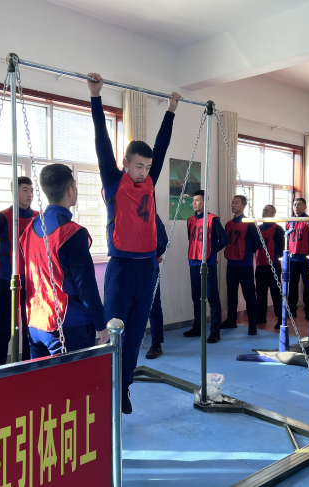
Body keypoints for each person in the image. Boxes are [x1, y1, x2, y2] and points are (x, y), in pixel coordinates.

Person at [88, 72, 181, 414]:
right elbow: (101, 141)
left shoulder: (150, 182)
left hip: (147, 270)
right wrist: (96, 98)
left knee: (136, 337)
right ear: (126, 163)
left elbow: (162, 145)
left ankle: (124, 387)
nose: (143, 172)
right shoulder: (114, 181)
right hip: (121, 269)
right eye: (139, 166)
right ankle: (105, 386)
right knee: (114, 334)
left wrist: (171, 111)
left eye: (147, 167)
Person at [20, 164, 109, 358]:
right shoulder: (72, 233)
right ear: (69, 190)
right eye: (75, 187)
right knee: (73, 377)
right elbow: (85, 286)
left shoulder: (30, 228)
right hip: (68, 325)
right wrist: (101, 325)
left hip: (36, 322)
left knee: (42, 377)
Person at [0, 176, 37, 367]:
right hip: (8, 279)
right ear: (14, 192)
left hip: (32, 280)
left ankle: (29, 364)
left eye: (31, 190)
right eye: (25, 190)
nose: (30, 194)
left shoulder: (38, 217)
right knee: (4, 325)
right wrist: (2, 257)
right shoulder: (3, 216)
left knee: (31, 325)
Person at [183, 190, 229, 342]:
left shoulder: (212, 219)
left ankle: (215, 331)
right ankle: (197, 328)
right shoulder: (190, 220)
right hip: (193, 262)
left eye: (197, 200)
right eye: (193, 200)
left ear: (205, 201)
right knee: (196, 298)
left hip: (207, 263)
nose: (194, 203)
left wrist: (212, 251)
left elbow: (224, 239)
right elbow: (191, 240)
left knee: (212, 297)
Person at [220, 195, 262, 335]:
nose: (233, 205)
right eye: (232, 202)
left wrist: (247, 252)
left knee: (249, 295)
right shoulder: (229, 224)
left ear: (243, 206)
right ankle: (231, 320)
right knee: (231, 294)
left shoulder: (249, 223)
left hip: (244, 264)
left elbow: (257, 242)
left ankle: (252, 325)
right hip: (231, 263)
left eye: (236, 203)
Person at [255, 205, 285, 329]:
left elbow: (283, 247)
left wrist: (276, 259)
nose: (264, 212)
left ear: (273, 214)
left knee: (276, 293)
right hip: (260, 265)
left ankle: (280, 318)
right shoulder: (258, 228)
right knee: (260, 293)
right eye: (263, 210)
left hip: (273, 265)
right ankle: (261, 316)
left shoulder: (278, 229)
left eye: (266, 210)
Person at [286, 198, 309, 320]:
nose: (296, 207)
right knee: (292, 286)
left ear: (305, 207)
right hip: (293, 259)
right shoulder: (290, 221)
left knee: (308, 286)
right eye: (294, 205)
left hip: (305, 259)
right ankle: (292, 310)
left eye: (299, 205)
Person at [145, 214, 168, 360]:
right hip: (131, 265)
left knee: (153, 305)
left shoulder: (152, 215)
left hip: (149, 265)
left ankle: (156, 344)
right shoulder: (124, 211)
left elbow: (162, 241)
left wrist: (155, 254)